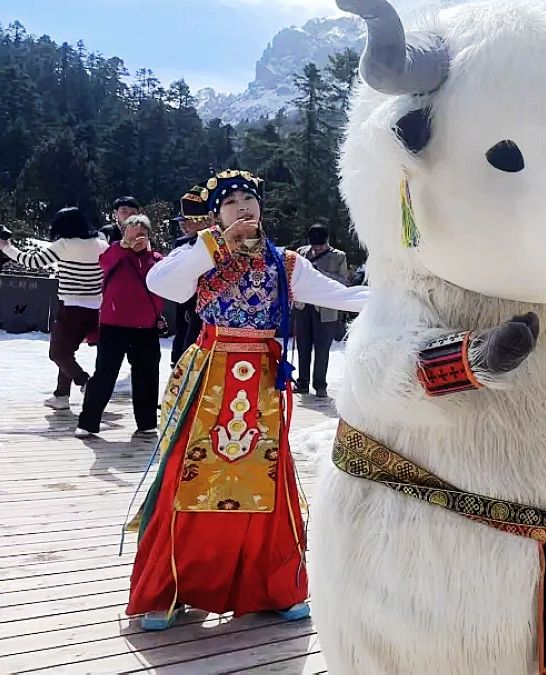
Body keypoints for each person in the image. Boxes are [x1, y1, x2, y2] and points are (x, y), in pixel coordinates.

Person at [124, 170, 368, 631]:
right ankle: (170, 588)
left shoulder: (286, 263)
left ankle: (272, 588)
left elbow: (341, 295)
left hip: (261, 385)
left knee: (265, 481)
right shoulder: (201, 256)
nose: (243, 207)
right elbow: (162, 284)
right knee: (190, 476)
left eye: (249, 199)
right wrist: (215, 243)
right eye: (231, 201)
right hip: (210, 378)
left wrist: (406, 297)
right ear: (216, 214)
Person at [1, 208, 107, 411]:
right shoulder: (101, 244)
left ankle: (86, 383)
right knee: (67, 353)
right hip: (95, 308)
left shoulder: (64, 244)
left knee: (58, 353)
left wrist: (6, 247)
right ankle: (61, 396)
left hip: (71, 307)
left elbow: (32, 262)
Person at [75, 215, 164, 438]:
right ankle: (88, 423)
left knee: (147, 375)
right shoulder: (115, 254)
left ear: (149, 236)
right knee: (105, 374)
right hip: (113, 325)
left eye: (141, 234)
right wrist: (122, 246)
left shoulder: (157, 260)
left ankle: (147, 423)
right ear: (124, 234)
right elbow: (103, 263)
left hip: (147, 327)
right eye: (132, 235)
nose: (137, 239)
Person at [292, 223, 351, 398]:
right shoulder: (301, 253)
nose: (316, 249)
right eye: (314, 245)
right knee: (303, 348)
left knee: (322, 349)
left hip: (326, 310)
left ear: (327, 241)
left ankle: (320, 385)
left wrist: (321, 272)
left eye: (320, 246)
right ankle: (302, 383)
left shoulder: (339, 256)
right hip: (303, 307)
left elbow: (344, 281)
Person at [169, 187, 211, 365]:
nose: (184, 226)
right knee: (185, 339)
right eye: (182, 222)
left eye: (189, 221)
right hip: (187, 302)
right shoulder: (182, 244)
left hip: (211, 306)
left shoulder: (221, 242)